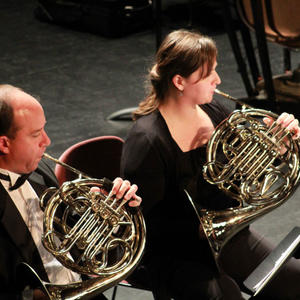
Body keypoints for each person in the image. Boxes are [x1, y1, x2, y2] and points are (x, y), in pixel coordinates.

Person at [120, 29, 300, 300]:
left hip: (230, 240)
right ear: (179, 81)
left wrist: (279, 146)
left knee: (296, 283)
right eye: (207, 74)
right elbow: (141, 224)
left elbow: (244, 174)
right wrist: (200, 229)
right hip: (178, 257)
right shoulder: (147, 141)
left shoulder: (214, 111)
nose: (218, 80)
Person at [0, 84, 142, 300]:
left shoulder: (39, 171)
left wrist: (110, 216)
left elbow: (76, 247)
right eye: (36, 134)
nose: (47, 141)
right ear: (4, 144)